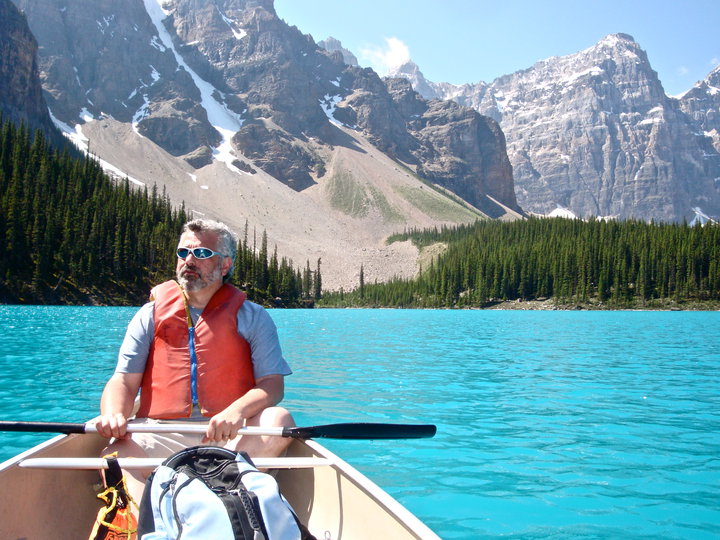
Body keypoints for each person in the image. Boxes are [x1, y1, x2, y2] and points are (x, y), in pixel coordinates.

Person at [91, 218, 295, 505]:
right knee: (114, 456)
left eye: (200, 254)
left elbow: (272, 385)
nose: (188, 260)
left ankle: (224, 499)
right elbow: (123, 381)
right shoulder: (148, 315)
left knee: (279, 419)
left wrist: (236, 411)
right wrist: (114, 414)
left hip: (228, 434)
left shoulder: (254, 317)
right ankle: (151, 525)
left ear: (225, 265)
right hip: (159, 430)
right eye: (183, 253)